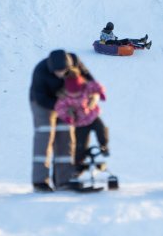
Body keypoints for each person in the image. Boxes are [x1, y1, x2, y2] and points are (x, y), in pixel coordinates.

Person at [29, 49, 95, 192]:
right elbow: (41, 98)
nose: (60, 74)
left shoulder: (75, 62)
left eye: (63, 71)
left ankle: (64, 181)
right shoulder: (40, 71)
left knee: (66, 138)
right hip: (43, 104)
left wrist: (92, 97)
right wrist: (62, 107)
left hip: (66, 101)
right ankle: (40, 182)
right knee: (45, 137)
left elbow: (90, 81)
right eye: (57, 72)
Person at [54, 68, 109, 173]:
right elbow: (60, 108)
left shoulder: (86, 87)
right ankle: (78, 164)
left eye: (77, 91)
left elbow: (97, 86)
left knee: (101, 129)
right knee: (79, 145)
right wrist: (67, 117)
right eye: (72, 93)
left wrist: (101, 93)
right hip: (80, 124)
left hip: (92, 117)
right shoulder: (64, 97)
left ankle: (104, 146)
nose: (75, 94)